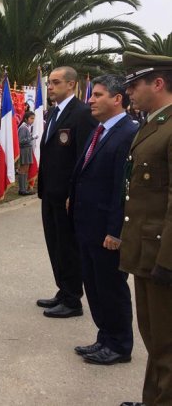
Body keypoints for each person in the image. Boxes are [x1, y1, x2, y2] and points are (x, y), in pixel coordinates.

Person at [69, 74, 136, 366]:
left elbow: (123, 188)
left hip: (106, 229)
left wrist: (115, 229)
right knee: (94, 285)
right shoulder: (100, 130)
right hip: (86, 224)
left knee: (111, 287)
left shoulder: (128, 132)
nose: (91, 100)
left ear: (117, 98)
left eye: (97, 95)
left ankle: (120, 345)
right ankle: (105, 337)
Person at [120, 52, 172, 406]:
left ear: (158, 83)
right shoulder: (153, 123)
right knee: (154, 337)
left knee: (168, 345)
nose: (129, 93)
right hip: (146, 250)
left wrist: (167, 261)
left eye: (134, 84)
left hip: (162, 255)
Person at [37, 66, 97, 318]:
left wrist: (75, 194)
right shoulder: (54, 112)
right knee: (55, 243)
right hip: (49, 192)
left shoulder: (82, 114)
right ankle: (63, 289)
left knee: (68, 246)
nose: (50, 87)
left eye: (56, 82)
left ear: (71, 85)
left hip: (66, 195)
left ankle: (73, 299)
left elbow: (84, 157)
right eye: (49, 82)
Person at [17, 111, 37, 195]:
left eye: (33, 118)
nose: (32, 120)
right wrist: (32, 138)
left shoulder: (27, 127)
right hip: (24, 150)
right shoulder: (23, 127)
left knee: (26, 169)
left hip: (27, 150)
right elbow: (21, 141)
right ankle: (22, 189)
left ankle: (24, 188)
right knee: (23, 169)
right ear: (26, 119)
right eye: (31, 118)